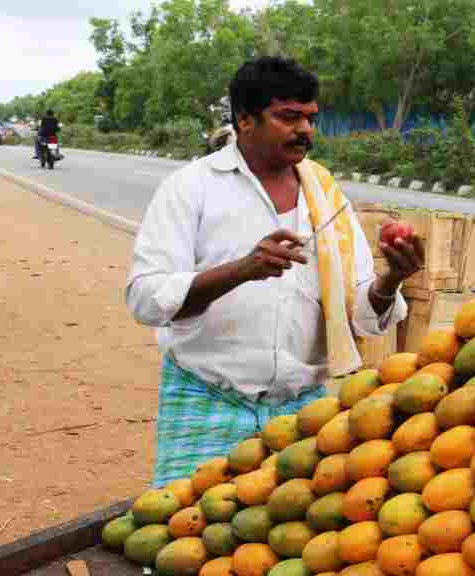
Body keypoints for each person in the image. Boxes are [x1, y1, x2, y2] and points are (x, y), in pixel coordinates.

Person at [126, 56, 424, 487]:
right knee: (181, 544)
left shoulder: (325, 196)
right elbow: (146, 298)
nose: (305, 130)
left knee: (284, 549)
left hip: (301, 413)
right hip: (205, 400)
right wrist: (243, 270)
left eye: (310, 118)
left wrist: (392, 278)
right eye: (288, 117)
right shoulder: (191, 189)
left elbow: (360, 313)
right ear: (245, 119)